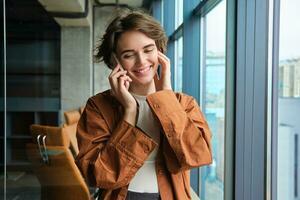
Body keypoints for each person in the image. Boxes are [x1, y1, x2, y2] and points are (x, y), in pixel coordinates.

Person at [75, 9, 212, 200]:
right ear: (115, 60)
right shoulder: (98, 106)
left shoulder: (184, 103)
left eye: (148, 50)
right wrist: (129, 113)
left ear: (160, 51)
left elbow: (197, 156)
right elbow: (96, 175)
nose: (141, 61)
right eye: (129, 55)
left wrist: (166, 99)